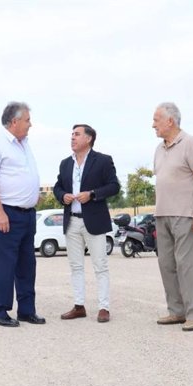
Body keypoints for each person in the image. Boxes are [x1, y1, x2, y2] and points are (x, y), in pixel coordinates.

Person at [0, 102, 45, 327]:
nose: (30, 124)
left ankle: (27, 310)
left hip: (27, 214)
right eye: (27, 120)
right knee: (5, 264)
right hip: (6, 212)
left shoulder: (24, 144)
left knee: (27, 264)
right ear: (14, 121)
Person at [53, 124, 120, 323]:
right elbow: (57, 187)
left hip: (94, 221)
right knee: (76, 266)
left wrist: (92, 194)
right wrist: (62, 195)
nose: (72, 138)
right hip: (71, 221)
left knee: (100, 265)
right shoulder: (65, 163)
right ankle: (79, 306)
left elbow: (114, 186)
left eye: (77, 134)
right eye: (71, 134)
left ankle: (103, 307)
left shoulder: (103, 160)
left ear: (88, 138)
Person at [152, 102, 193, 332]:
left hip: (185, 214)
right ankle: (176, 311)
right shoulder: (159, 148)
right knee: (166, 264)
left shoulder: (190, 143)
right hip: (162, 214)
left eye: (156, 120)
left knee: (186, 265)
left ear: (170, 121)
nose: (152, 124)